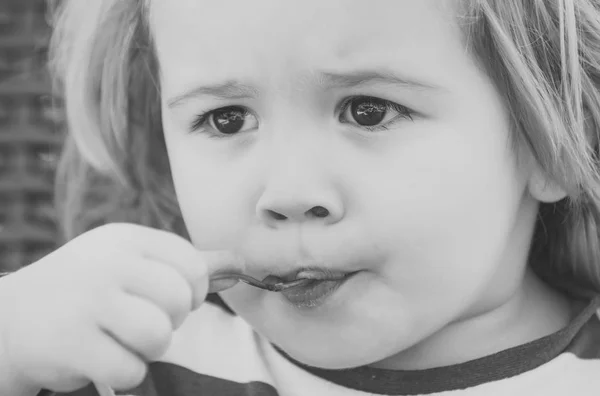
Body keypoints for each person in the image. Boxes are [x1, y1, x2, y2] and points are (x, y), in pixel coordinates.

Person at [1, 0, 600, 395]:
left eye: (368, 111)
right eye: (227, 119)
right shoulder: (135, 360)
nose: (286, 193)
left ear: (551, 143)